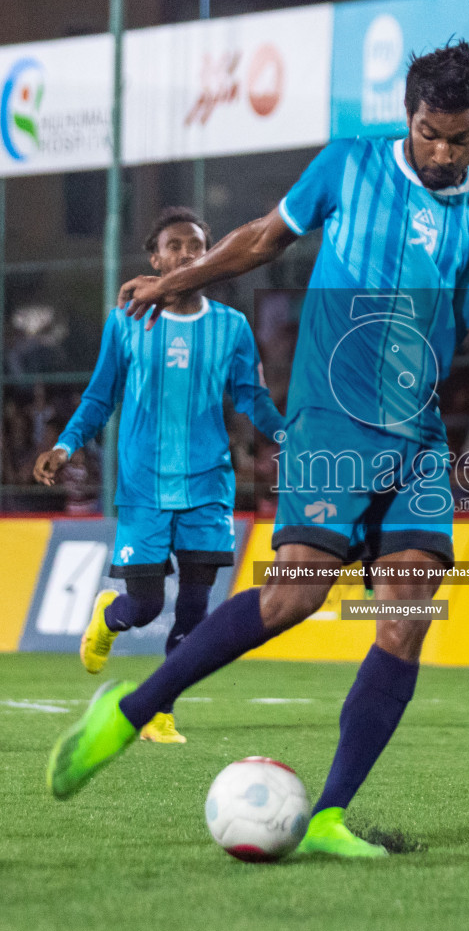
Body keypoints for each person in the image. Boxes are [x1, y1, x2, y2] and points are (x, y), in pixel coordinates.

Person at [43, 42, 469, 857]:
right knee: (295, 595)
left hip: (418, 439)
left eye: (461, 139)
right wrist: (172, 283)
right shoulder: (349, 166)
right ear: (409, 115)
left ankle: (329, 814)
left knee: (405, 619)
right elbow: (264, 237)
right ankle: (124, 715)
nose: (443, 153)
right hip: (330, 420)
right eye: (431, 133)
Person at [33, 207, 286, 745]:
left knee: (194, 611)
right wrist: (64, 444)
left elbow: (251, 399)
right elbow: (101, 396)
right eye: (173, 246)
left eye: (196, 246)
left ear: (213, 256)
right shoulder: (127, 320)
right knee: (146, 604)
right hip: (145, 486)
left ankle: (161, 710)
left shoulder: (231, 328)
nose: (186, 255)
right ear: (154, 257)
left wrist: (288, 437)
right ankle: (109, 617)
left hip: (207, 488)